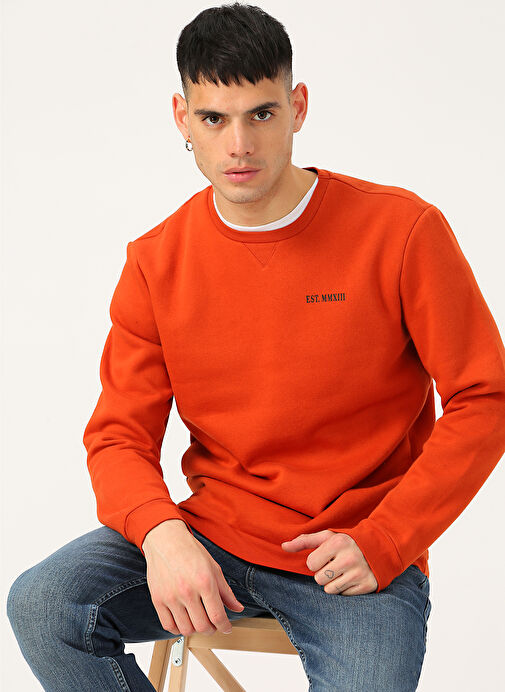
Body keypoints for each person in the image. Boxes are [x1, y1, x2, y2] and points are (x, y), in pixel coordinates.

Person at [7, 3, 505, 691]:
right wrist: (161, 535)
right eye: (214, 118)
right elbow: (118, 435)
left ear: (297, 108)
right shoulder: (156, 261)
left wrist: (388, 538)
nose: (238, 144)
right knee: (43, 605)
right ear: (182, 118)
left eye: (261, 114)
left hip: (352, 556)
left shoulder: (402, 232)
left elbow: (485, 397)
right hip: (213, 537)